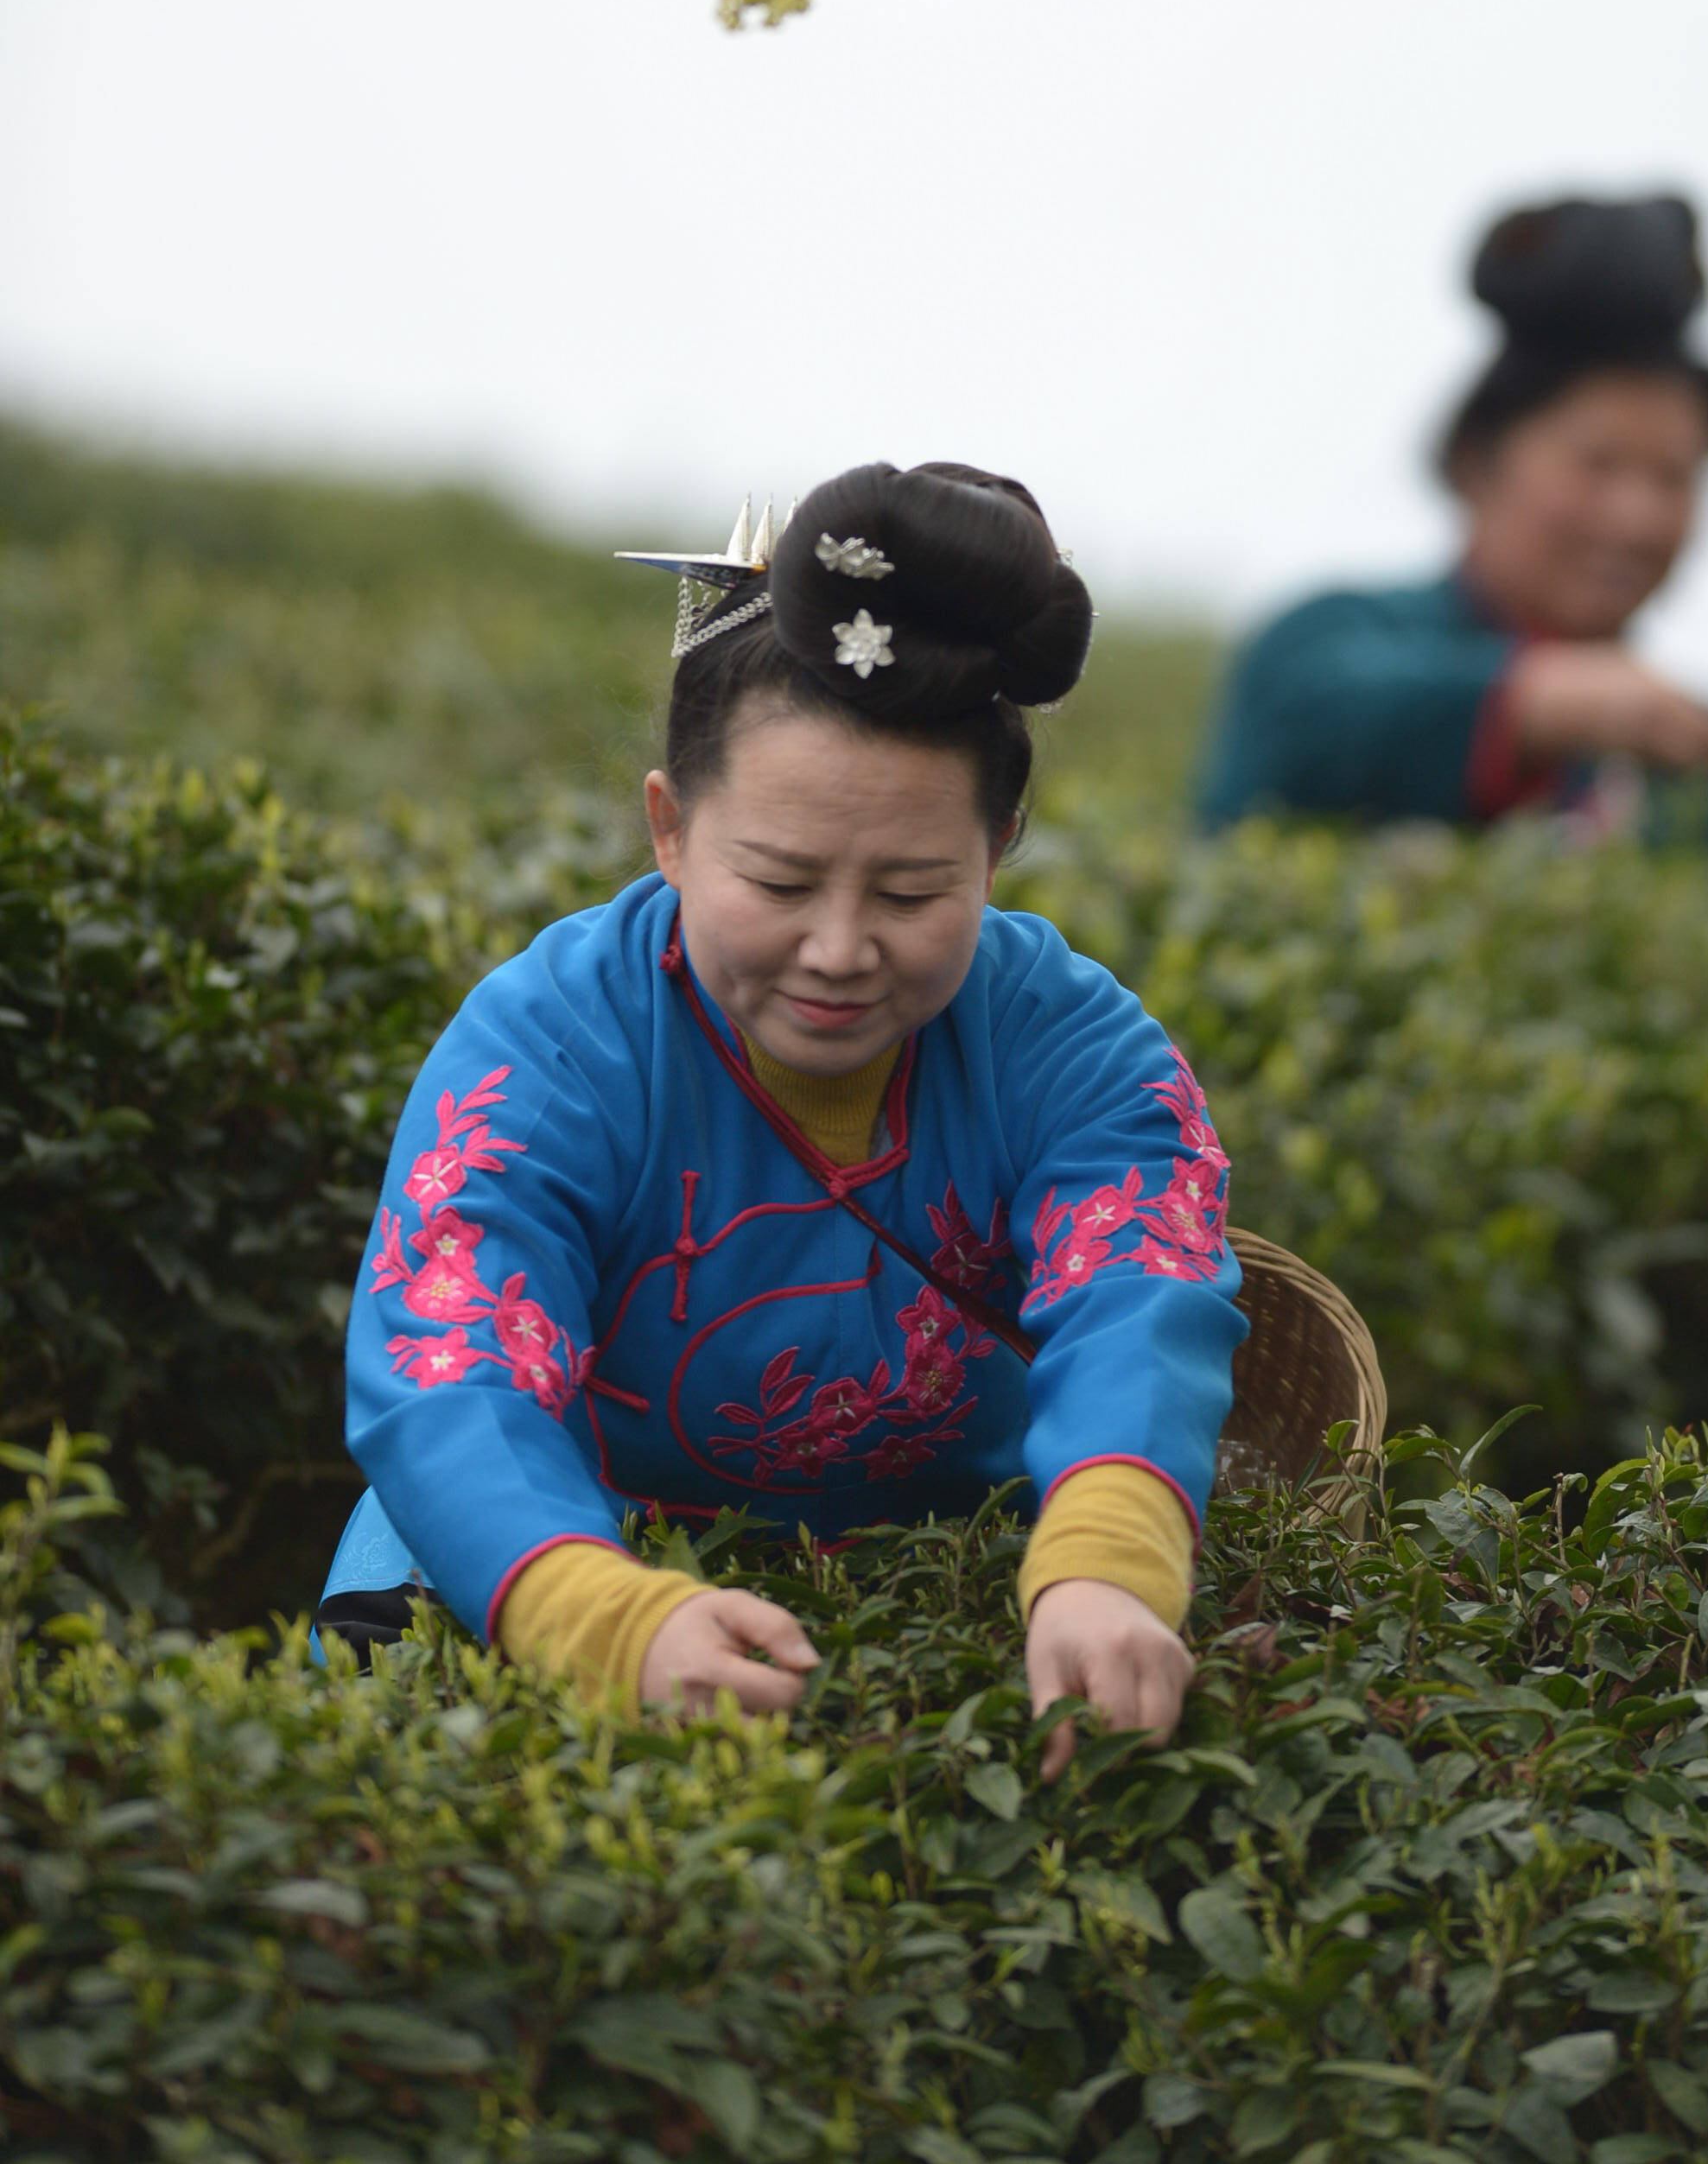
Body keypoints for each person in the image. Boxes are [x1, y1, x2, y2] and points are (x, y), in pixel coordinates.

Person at [318, 460, 1243, 1772]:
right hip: (550, 1553)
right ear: (671, 830)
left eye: (915, 894)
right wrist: (599, 1616)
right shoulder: (554, 1041)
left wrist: (1101, 1569)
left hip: (940, 1573)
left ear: (1000, 849)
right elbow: (453, 1358)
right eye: (780, 878)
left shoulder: (1070, 1042)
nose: (839, 949)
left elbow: (1141, 1298)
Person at [1197, 194, 1708, 843]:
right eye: (1600, 464)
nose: (1636, 518)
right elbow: (1301, 734)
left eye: (1673, 478)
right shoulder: (1325, 643)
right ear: (1479, 462)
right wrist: (1538, 705)